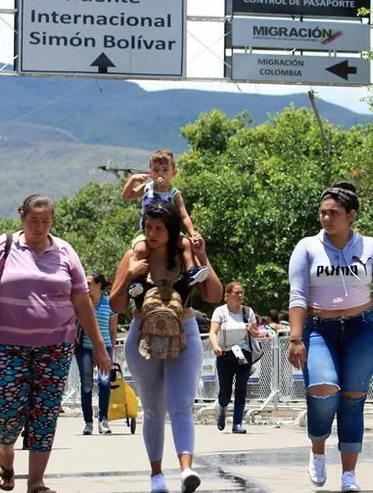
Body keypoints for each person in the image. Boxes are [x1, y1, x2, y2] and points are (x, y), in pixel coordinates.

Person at [0, 194, 111, 493]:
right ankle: (5, 452)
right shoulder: (2, 246)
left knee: (45, 411)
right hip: (6, 344)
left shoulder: (64, 251)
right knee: (8, 409)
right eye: (34, 221)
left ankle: (36, 481)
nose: (39, 227)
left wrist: (98, 345)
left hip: (55, 345)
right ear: (21, 216)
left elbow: (82, 300)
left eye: (46, 221)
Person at [288, 181, 373, 492]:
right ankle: (318, 449)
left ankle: (348, 474)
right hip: (319, 329)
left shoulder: (370, 247)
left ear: (351, 215)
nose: (327, 219)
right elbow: (298, 294)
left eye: (334, 213)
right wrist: (294, 337)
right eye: (323, 213)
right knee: (323, 388)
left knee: (353, 399)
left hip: (362, 328)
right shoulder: (307, 247)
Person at [110, 201, 223, 493]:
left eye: (159, 228)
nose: (152, 233)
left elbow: (213, 295)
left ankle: (186, 470)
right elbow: (115, 304)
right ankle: (157, 476)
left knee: (181, 404)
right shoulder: (134, 256)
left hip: (183, 330)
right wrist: (129, 274)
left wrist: (202, 256)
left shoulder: (184, 253)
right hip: (143, 332)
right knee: (153, 407)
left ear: (172, 230)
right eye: (148, 227)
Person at [121, 149, 208, 297]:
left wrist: (192, 232)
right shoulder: (147, 187)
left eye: (165, 170)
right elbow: (126, 195)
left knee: (186, 244)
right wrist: (133, 180)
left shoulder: (174, 193)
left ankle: (191, 271)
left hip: (170, 231)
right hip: (146, 231)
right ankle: (135, 281)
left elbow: (184, 215)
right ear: (150, 172)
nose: (160, 173)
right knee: (140, 250)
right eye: (156, 170)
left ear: (173, 173)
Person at [209, 282, 263, 434]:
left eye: (241, 293)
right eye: (236, 293)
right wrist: (215, 346)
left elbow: (256, 333)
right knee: (225, 391)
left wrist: (251, 329)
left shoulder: (247, 312)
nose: (240, 296)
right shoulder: (220, 312)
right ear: (227, 296)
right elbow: (213, 332)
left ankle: (237, 423)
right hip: (225, 353)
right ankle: (222, 410)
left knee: (241, 389)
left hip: (243, 354)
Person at [76, 272, 118, 435]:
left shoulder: (109, 304)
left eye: (89, 283)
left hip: (105, 347)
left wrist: (111, 351)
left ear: (98, 285)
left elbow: (113, 330)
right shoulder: (82, 303)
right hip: (85, 348)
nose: (85, 286)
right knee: (86, 384)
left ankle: (103, 420)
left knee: (104, 382)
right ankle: (88, 422)